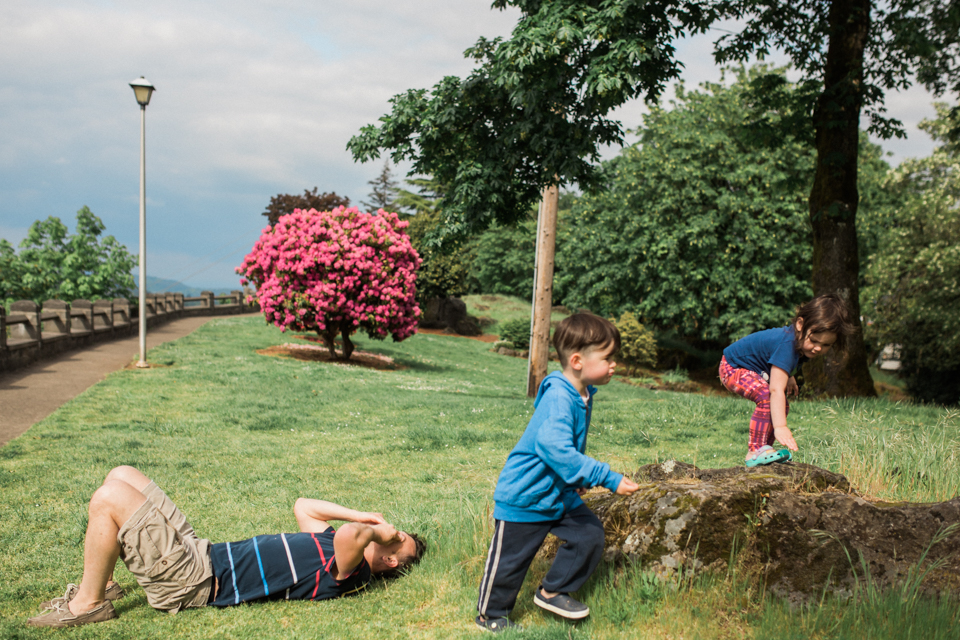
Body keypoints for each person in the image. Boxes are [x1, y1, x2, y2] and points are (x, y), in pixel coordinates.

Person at [28, 465, 425, 628]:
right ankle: (107, 583)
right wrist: (367, 515)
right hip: (199, 553)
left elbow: (350, 535)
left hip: (192, 581)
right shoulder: (329, 542)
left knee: (110, 496)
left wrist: (375, 531)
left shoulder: (349, 572)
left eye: (397, 537)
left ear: (389, 560)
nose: (389, 530)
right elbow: (304, 505)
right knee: (123, 474)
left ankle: (88, 604)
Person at [476, 313, 640, 633]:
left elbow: (566, 453)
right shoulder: (558, 396)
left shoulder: (582, 394)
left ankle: (552, 590)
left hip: (558, 494)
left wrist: (575, 480)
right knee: (510, 562)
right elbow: (556, 449)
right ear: (577, 360)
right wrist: (607, 477)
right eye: (607, 357)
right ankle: (490, 615)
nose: (614, 364)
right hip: (526, 495)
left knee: (588, 535)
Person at [719, 294, 856, 466]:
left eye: (827, 345)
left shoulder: (798, 342)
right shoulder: (787, 344)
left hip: (752, 370)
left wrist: (789, 375)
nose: (818, 348)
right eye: (814, 340)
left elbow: (777, 359)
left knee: (782, 405)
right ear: (800, 324)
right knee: (767, 397)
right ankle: (755, 450)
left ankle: (765, 448)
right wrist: (781, 427)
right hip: (733, 367)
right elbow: (776, 389)